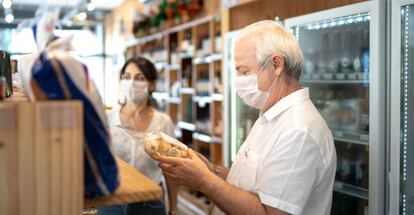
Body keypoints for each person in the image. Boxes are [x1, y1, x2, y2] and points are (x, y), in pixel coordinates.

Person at [154, 21, 337, 215]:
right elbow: (250, 185)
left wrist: (204, 182)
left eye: (244, 71)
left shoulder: (298, 131)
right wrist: (210, 171)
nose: (237, 80)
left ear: (276, 64)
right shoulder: (270, 115)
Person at [99, 56, 177, 215]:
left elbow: (171, 170)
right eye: (127, 77)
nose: (131, 83)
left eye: (139, 78)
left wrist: (174, 208)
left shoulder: (163, 122)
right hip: (112, 202)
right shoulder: (107, 119)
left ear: (152, 84)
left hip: (150, 204)